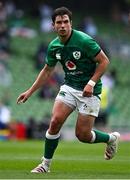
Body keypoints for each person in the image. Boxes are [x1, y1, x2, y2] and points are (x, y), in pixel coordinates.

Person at [17, 7, 120, 173]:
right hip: (70, 87)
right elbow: (47, 70)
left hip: (90, 91)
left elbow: (104, 61)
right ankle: (45, 165)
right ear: (53, 26)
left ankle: (111, 138)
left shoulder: (84, 40)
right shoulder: (54, 46)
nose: (63, 25)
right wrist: (30, 91)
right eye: (59, 22)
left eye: (66, 22)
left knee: (83, 136)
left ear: (71, 23)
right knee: (55, 121)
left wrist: (91, 83)